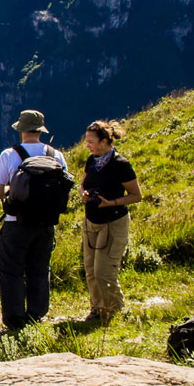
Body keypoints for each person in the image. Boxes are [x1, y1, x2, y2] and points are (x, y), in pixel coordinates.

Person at [0, 110, 68, 330]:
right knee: (39, 268)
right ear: (40, 130)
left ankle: (14, 318)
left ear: (21, 130)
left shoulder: (10, 154)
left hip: (16, 222)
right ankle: (37, 314)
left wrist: (10, 188)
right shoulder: (56, 155)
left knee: (11, 269)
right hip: (46, 224)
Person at [80, 120, 141, 322]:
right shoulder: (91, 161)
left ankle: (115, 311)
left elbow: (136, 195)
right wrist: (84, 195)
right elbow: (82, 185)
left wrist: (112, 202)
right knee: (90, 269)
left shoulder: (121, 165)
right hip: (91, 221)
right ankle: (97, 309)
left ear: (104, 141)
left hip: (113, 222)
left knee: (104, 271)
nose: (88, 145)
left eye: (91, 141)